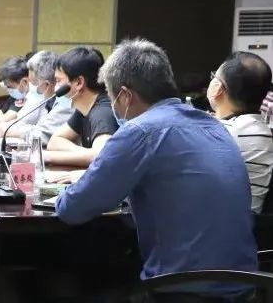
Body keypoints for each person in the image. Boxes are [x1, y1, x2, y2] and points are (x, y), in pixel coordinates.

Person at [56, 39, 258, 299]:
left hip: (182, 290)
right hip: (245, 286)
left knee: (68, 283)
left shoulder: (140, 131)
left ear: (125, 96)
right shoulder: (214, 127)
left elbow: (73, 209)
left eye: (112, 97)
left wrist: (62, 191)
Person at [208, 51, 273, 213]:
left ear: (218, 88)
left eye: (214, 76)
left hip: (226, 222)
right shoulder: (257, 128)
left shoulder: (224, 132)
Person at [0, 51, 75, 147]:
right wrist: (5, 127)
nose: (29, 86)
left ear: (46, 85)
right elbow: (34, 127)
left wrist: (11, 131)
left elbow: (42, 135)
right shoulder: (48, 99)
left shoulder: (65, 103)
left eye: (33, 82)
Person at [44, 47, 118, 167]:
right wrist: (86, 154)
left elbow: (100, 157)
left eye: (58, 81)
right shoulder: (84, 109)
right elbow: (54, 141)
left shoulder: (102, 112)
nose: (55, 88)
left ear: (79, 82)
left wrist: (46, 157)